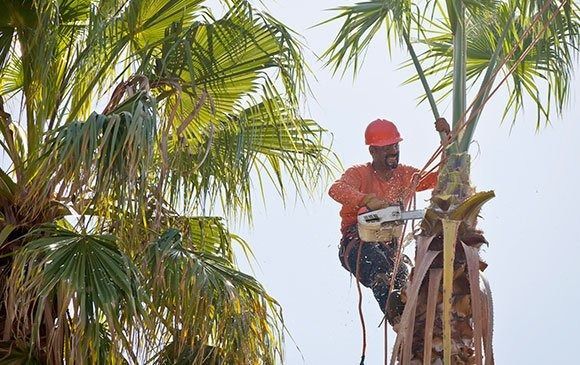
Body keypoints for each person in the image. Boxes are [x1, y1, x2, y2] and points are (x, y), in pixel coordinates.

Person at [328, 118, 450, 325]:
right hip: (358, 244)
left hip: (390, 249)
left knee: (404, 276)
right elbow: (336, 189)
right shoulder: (360, 174)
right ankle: (397, 319)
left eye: (395, 146)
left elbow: (442, 177)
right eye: (387, 148)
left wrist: (447, 141)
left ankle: (416, 323)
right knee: (379, 268)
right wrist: (367, 200)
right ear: (373, 152)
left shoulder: (405, 175)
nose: (393, 151)